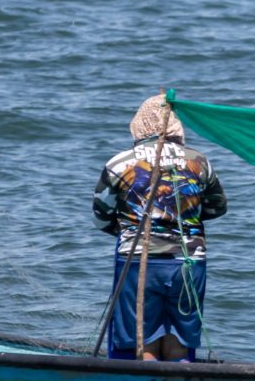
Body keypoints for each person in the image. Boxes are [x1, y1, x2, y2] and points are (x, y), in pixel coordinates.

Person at [94, 95, 227, 360]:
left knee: (138, 336)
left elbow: (101, 216)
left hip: (137, 257)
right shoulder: (199, 162)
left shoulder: (119, 163)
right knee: (180, 333)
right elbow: (217, 207)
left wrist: (123, 229)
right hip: (188, 261)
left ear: (139, 125)